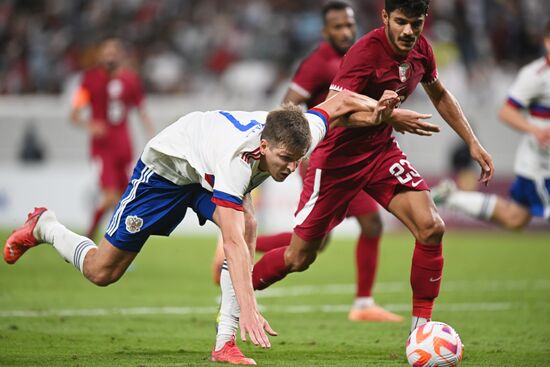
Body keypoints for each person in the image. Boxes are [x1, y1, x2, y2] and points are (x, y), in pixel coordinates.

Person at [4, 89, 433, 365]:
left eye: (297, 161)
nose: (290, 169)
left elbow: (337, 103)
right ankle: (46, 225)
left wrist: (382, 113)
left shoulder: (298, 132)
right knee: (103, 272)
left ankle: (223, 344)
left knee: (248, 223)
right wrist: (249, 303)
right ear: (263, 148)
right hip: (167, 171)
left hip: (202, 171)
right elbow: (230, 242)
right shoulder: (236, 163)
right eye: (284, 161)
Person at [218, 0, 494, 344]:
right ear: (385, 18)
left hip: (380, 152)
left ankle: (420, 333)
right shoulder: (363, 54)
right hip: (335, 160)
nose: (409, 31)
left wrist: (472, 141)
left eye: (416, 23)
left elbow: (439, 93)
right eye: (402, 22)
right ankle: (233, 295)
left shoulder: (422, 49)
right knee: (300, 257)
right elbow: (336, 112)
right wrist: (381, 115)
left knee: (431, 227)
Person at [212, 0, 402, 323]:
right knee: (366, 225)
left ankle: (237, 250)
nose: (345, 31)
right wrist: (303, 145)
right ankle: (362, 303)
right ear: (325, 30)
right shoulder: (317, 63)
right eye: (338, 26)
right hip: (326, 158)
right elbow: (286, 108)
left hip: (351, 156)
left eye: (349, 25)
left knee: (318, 240)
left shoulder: (356, 57)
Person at [433, 21, 550, 229]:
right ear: (547, 42)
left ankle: (452, 198)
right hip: (541, 165)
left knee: (514, 219)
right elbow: (506, 111)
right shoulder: (536, 75)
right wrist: (536, 130)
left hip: (537, 163)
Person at [70, 37, 155, 240]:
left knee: (124, 200)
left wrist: (153, 138)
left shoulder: (130, 80)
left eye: (113, 52)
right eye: (106, 52)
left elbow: (142, 112)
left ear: (120, 55)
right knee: (110, 197)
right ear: (100, 55)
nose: (109, 56)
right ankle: (90, 237)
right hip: (102, 149)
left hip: (124, 147)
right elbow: (74, 113)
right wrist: (90, 125)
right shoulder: (90, 80)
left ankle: (112, 249)